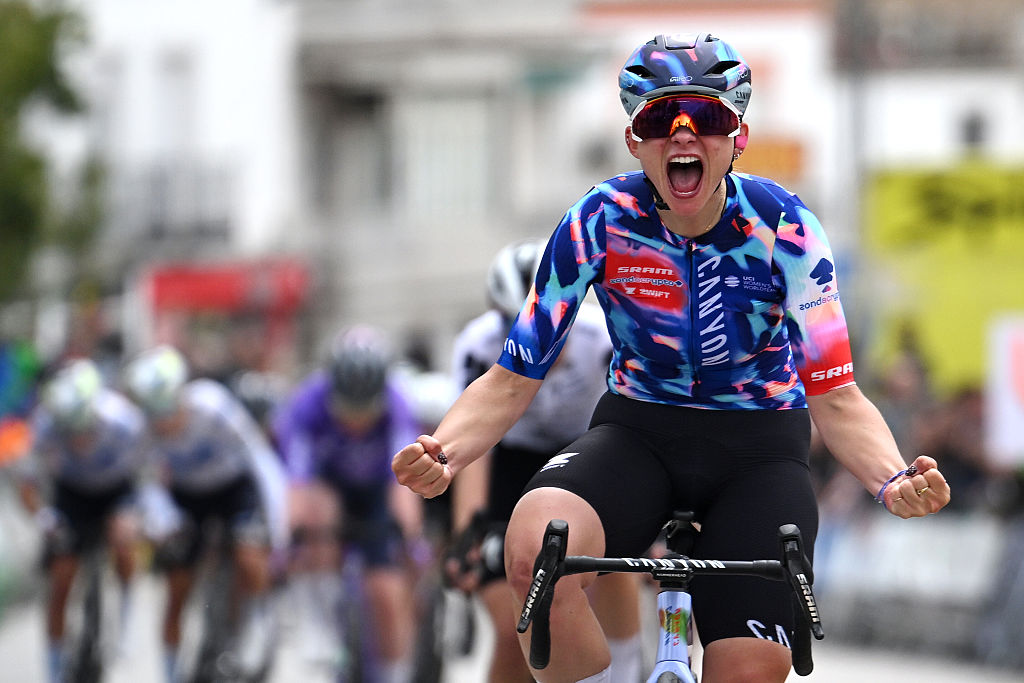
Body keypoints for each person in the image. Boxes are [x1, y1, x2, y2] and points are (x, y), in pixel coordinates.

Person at [393, 32, 952, 683]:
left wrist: (892, 478)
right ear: (635, 139)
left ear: (737, 136)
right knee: (534, 547)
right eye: (661, 118)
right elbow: (514, 377)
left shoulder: (788, 229)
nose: (684, 136)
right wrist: (445, 451)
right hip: (639, 433)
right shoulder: (599, 220)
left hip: (759, 451)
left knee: (745, 670)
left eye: (707, 118)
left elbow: (836, 396)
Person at [447, 238, 644, 683]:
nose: (534, 336)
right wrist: (468, 533)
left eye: (548, 321)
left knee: (615, 561)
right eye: (512, 323)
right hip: (509, 459)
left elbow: (631, 430)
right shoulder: (477, 347)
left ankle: (628, 671)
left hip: (585, 448)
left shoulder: (603, 340)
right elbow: (474, 447)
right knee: (511, 626)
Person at [122, 344, 287, 683]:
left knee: (248, 555)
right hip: (187, 498)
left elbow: (260, 460)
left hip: (234, 488)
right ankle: (170, 671)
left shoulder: (213, 406)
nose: (165, 422)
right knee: (177, 586)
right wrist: (163, 519)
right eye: (156, 414)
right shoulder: (143, 429)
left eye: (170, 409)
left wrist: (278, 526)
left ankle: (261, 621)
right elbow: (146, 482)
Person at [271, 325, 426, 683]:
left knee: (385, 590)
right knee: (315, 518)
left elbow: (403, 488)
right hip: (329, 490)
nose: (356, 423)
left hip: (377, 492)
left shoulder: (398, 404)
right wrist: (290, 538)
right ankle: (322, 622)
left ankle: (392, 671)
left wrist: (411, 538)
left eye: (365, 412)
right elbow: (297, 483)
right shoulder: (307, 404)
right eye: (347, 411)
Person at [13, 358, 146, 683]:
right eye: (70, 431)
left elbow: (152, 469)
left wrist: (137, 512)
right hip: (71, 495)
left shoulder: (124, 421)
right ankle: (54, 667)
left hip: (117, 490)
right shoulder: (46, 424)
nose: (79, 440)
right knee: (61, 580)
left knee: (124, 545)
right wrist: (44, 517)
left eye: (84, 429)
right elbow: (26, 479)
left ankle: (125, 620)